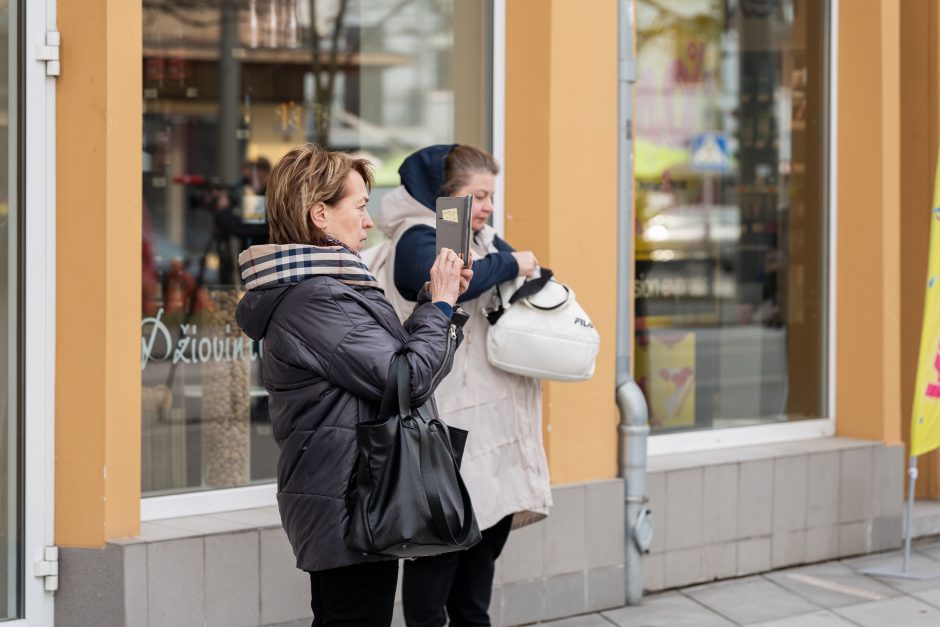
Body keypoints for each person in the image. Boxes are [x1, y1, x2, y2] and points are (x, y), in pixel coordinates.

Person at [235, 144, 473, 627]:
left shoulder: (329, 286)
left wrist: (434, 300)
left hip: (350, 492)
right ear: (320, 214)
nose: (369, 222)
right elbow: (406, 377)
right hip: (349, 497)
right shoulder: (318, 295)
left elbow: (387, 364)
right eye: (360, 207)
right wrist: (441, 307)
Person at [371, 144, 552, 626]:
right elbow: (446, 279)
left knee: (478, 572)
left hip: (489, 436)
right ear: (446, 198)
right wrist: (515, 263)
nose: (490, 207)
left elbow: (535, 275)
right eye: (480, 196)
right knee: (438, 565)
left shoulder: (478, 235)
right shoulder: (416, 238)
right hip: (444, 437)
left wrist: (518, 264)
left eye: (492, 196)